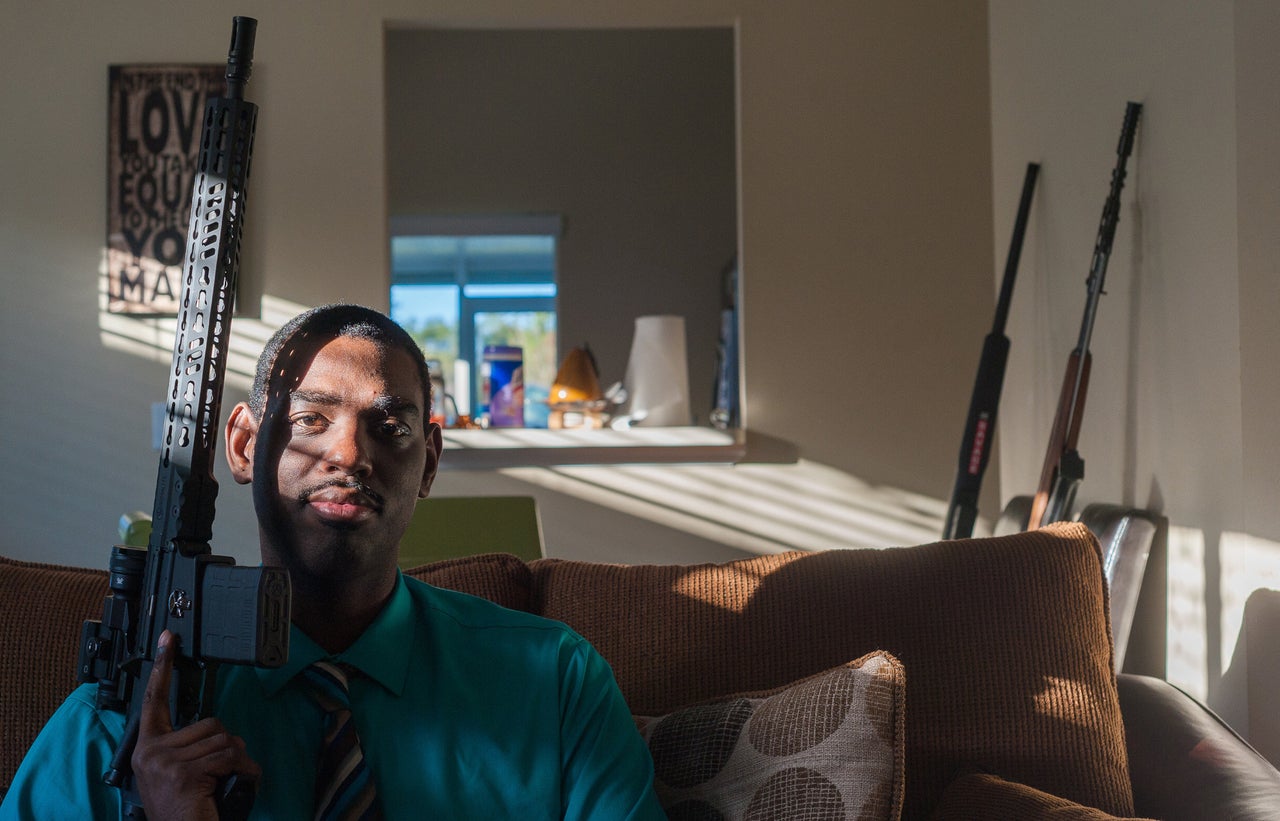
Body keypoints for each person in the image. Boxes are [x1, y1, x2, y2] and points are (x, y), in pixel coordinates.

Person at [1, 304, 664, 820]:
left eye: (390, 427)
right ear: (244, 445)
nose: (348, 454)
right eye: (311, 419)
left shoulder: (554, 684)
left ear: (428, 460)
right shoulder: (131, 718)